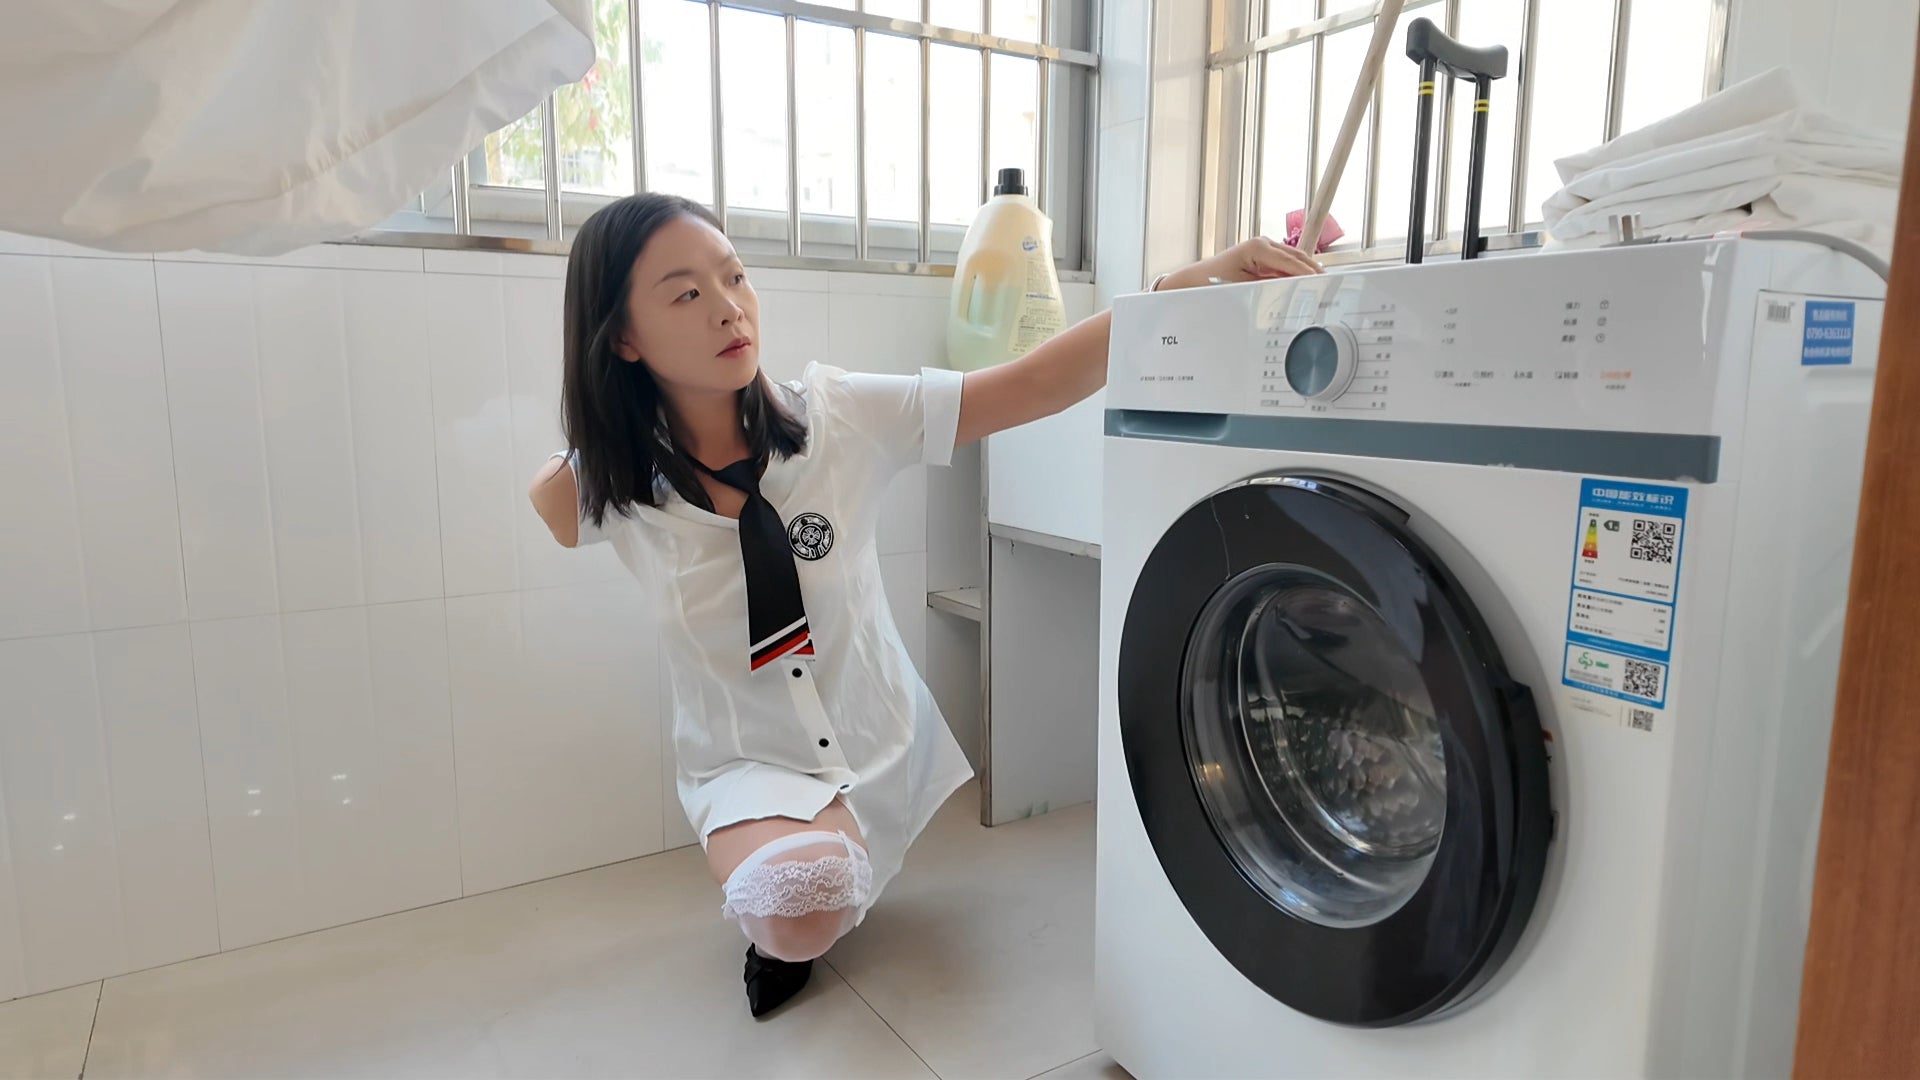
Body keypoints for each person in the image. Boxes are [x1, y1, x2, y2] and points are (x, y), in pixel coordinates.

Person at [529, 192, 1320, 1018]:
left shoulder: (837, 417)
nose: (729, 308)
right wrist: (605, 439)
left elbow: (1034, 381)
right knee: (797, 909)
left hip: (871, 740)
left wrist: (1176, 289)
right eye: (686, 294)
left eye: (735, 277)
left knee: (815, 889)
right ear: (622, 336)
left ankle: (830, 861)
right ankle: (790, 901)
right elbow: (550, 495)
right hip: (744, 759)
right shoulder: (613, 491)